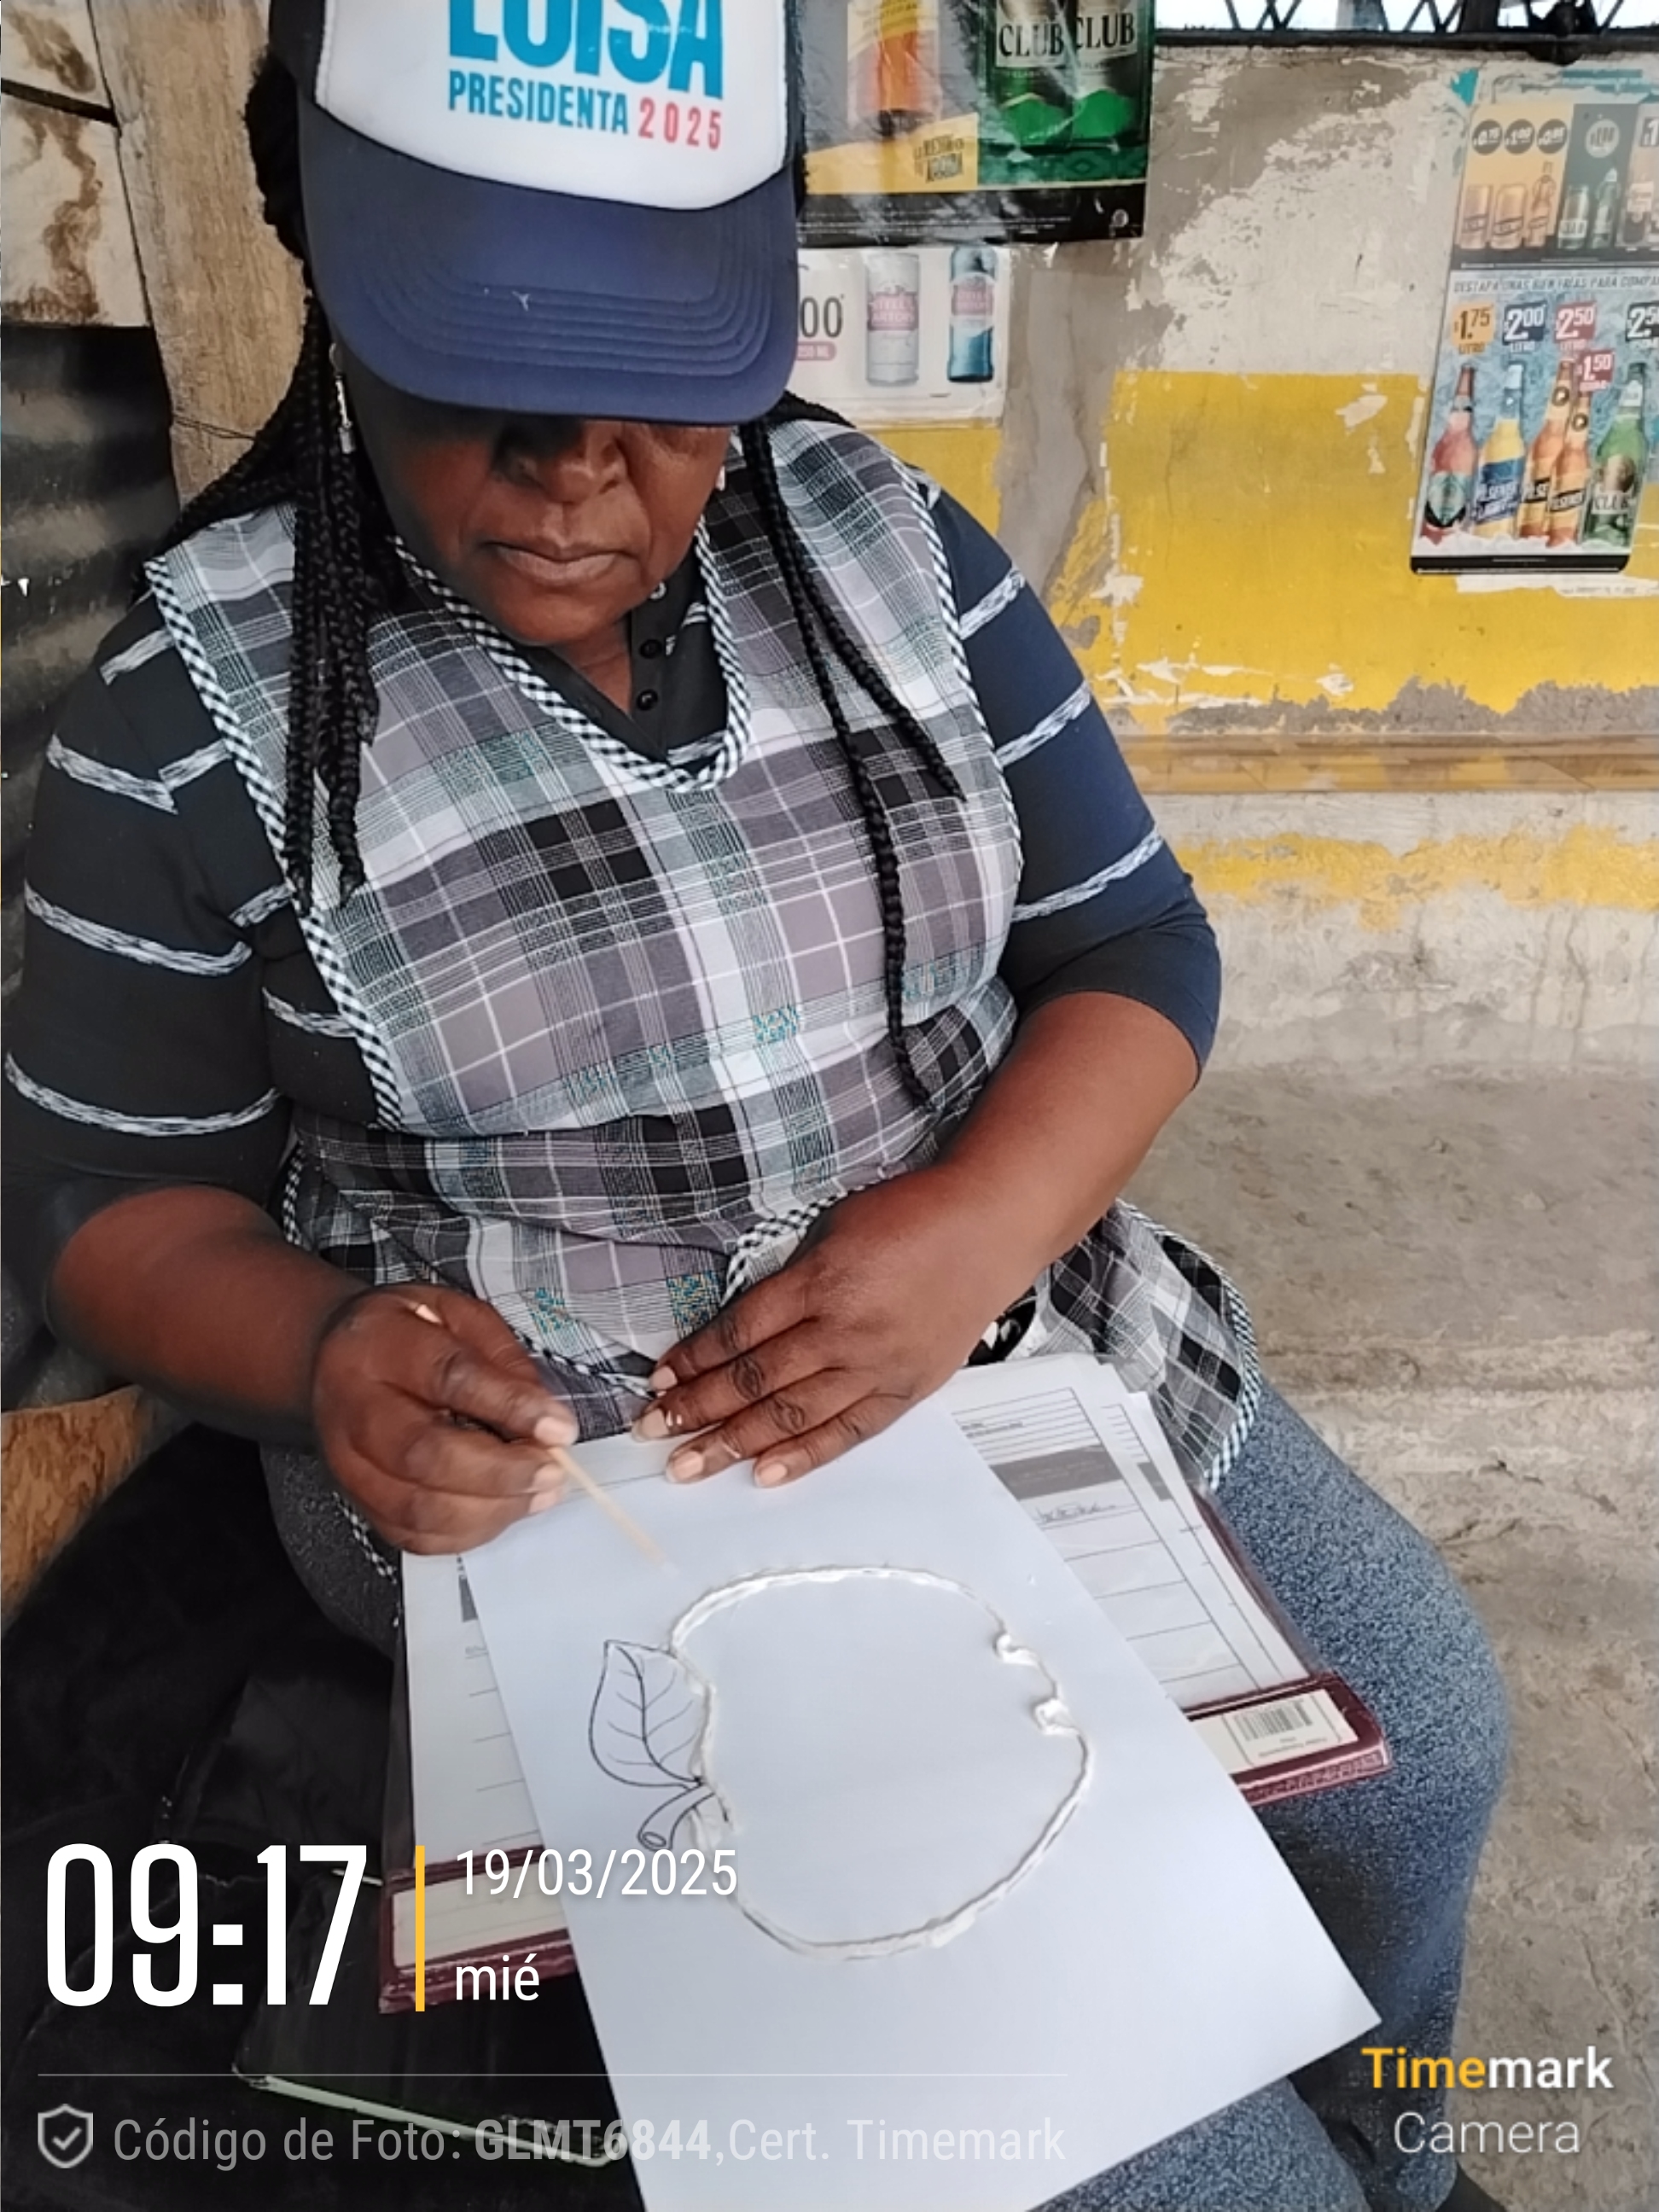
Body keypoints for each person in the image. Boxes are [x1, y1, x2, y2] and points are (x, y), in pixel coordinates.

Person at [2, 3, 1508, 2207]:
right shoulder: (188, 721)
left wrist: (971, 1236)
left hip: (1018, 1336)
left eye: (653, 374)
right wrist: (325, 1356)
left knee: (1419, 1756)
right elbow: (105, 1210)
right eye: (480, 369)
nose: (573, 462)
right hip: (580, 1492)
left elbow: (1132, 951)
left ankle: (1414, 2169)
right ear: (318, 252)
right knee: (1153, 2145)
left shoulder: (888, 552)